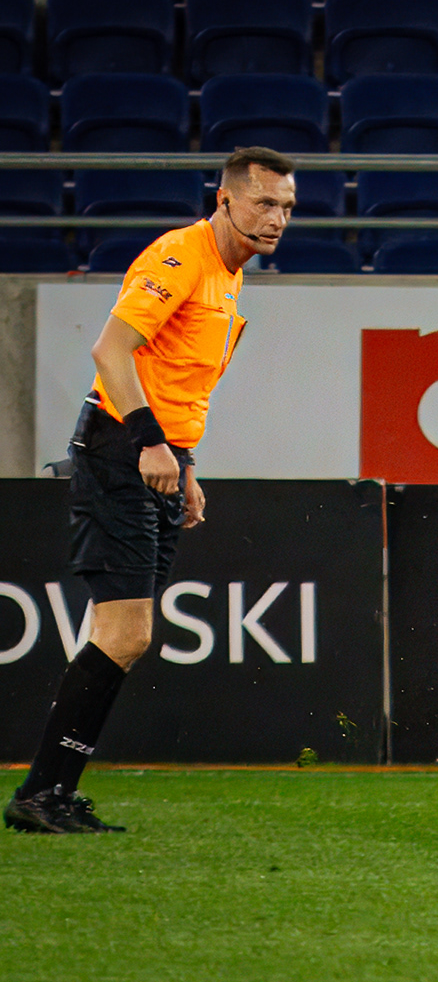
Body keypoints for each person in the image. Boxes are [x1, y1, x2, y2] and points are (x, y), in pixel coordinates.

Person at [6, 148, 294, 834]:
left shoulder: (228, 275)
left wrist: (183, 463)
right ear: (224, 200)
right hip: (120, 451)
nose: (277, 218)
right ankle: (41, 795)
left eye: (287, 207)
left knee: (123, 636)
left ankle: (49, 792)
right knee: (126, 632)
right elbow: (110, 350)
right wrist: (149, 443)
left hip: (152, 453)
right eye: (264, 202)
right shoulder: (180, 257)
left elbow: (180, 382)